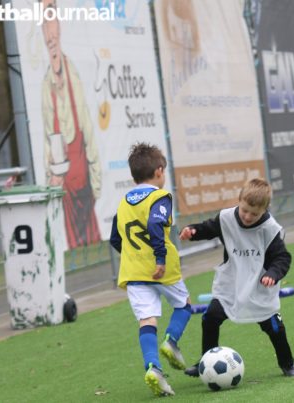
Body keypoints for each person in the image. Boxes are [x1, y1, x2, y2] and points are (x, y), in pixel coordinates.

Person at [178, 178, 294, 377]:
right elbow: (208, 228)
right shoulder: (226, 217)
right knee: (210, 318)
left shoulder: (270, 229)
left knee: (275, 328)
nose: (247, 216)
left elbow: (282, 257)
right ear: (239, 200)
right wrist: (192, 231)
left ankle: (287, 363)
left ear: (265, 209)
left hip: (259, 287)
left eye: (254, 213)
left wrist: (272, 273)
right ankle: (205, 361)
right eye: (244, 210)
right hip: (231, 284)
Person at [110, 143, 192, 397]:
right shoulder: (159, 196)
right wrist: (158, 258)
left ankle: (153, 367)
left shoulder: (124, 202)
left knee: (147, 320)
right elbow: (156, 225)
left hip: (133, 273)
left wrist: (133, 257)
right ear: (158, 171)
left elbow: (115, 237)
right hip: (161, 268)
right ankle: (171, 342)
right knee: (184, 305)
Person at [40, 0, 102, 249]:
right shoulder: (45, 85)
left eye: (51, 16)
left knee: (92, 239)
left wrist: (95, 183)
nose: (49, 31)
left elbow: (87, 130)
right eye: (43, 20)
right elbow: (47, 139)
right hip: (65, 190)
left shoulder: (73, 74)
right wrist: (51, 178)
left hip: (84, 186)